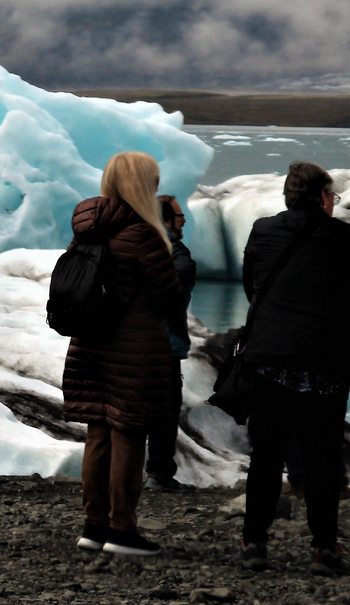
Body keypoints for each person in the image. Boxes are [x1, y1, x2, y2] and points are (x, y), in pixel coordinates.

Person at [237, 161, 350, 576]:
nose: (333, 203)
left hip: (269, 363)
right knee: (323, 459)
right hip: (326, 366)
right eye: (332, 197)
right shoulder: (345, 237)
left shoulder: (262, 231)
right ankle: (324, 549)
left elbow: (252, 284)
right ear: (323, 198)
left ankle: (255, 544)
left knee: (266, 456)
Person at [62, 151, 184, 558]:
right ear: (139, 185)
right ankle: (122, 530)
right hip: (132, 350)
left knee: (97, 432)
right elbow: (170, 298)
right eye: (152, 181)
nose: (155, 188)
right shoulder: (143, 234)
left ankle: (93, 526)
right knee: (129, 434)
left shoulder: (88, 229)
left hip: (89, 343)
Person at [145, 194, 197, 493]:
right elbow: (184, 274)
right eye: (179, 216)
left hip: (133, 343)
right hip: (163, 345)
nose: (184, 220)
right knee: (164, 411)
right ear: (165, 220)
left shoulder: (133, 245)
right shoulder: (173, 251)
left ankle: (131, 475)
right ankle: (159, 474)